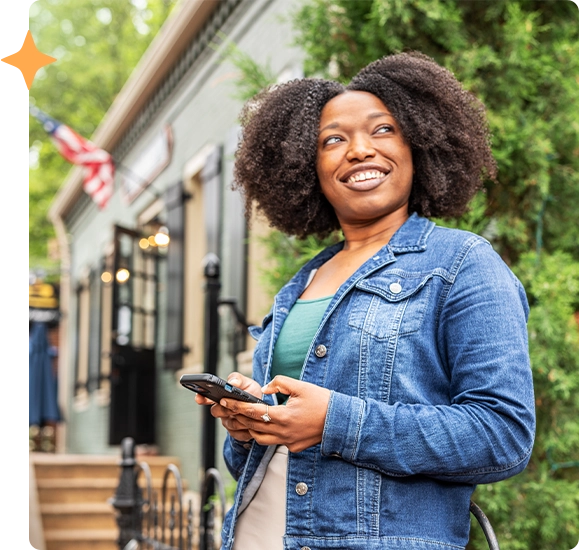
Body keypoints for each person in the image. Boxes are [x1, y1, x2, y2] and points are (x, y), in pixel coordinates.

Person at [195, 51, 536, 550]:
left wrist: (335, 421)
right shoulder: (301, 284)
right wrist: (249, 426)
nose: (358, 150)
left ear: (418, 145)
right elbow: (260, 462)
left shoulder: (463, 263)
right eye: (333, 140)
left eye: (383, 130)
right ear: (307, 167)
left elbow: (502, 436)